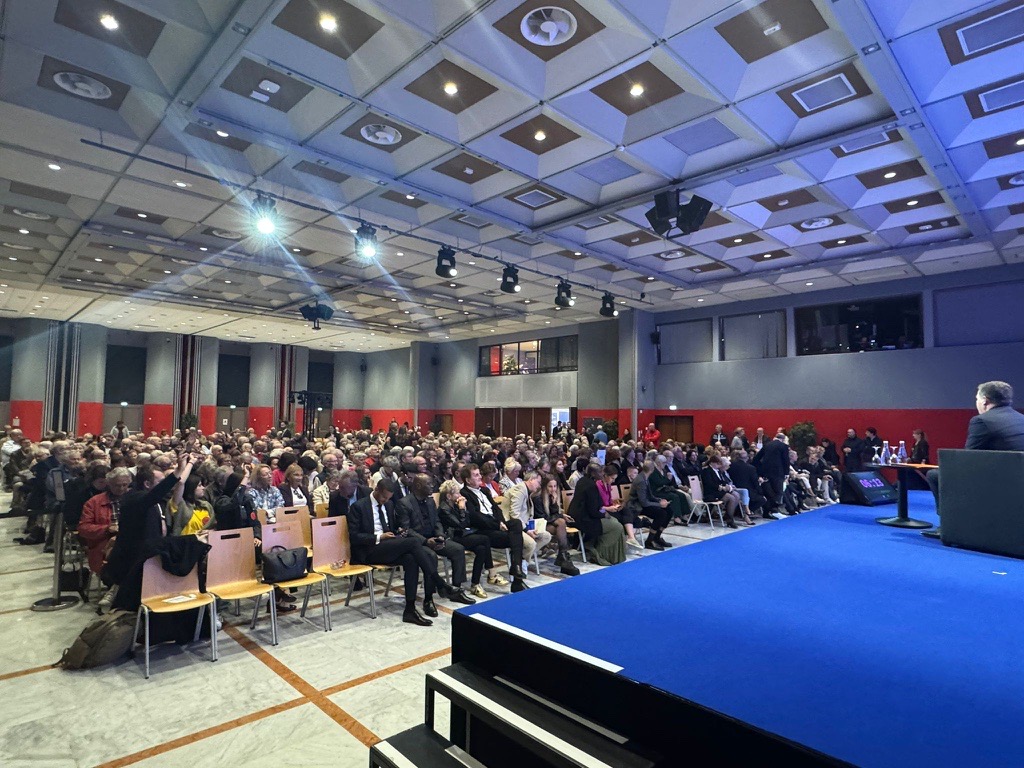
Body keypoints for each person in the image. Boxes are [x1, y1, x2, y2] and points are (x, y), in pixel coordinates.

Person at [347, 478, 460, 626]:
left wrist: (399, 532)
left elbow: (393, 528)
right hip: (368, 550)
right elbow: (354, 537)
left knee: (411, 559)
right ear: (376, 490)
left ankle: (410, 608)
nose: (385, 500)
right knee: (413, 542)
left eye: (388, 498)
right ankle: (440, 583)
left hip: (388, 546)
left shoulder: (388, 504)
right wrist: (379, 536)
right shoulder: (358, 507)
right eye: (383, 497)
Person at [927, 381, 1024, 516]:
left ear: (985, 401)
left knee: (934, 474)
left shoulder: (982, 420)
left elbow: (968, 460)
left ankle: (947, 524)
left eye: (977, 399)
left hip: (999, 482)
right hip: (1018, 480)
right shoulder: (1021, 419)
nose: (977, 402)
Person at [395, 474, 475, 611]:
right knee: (430, 557)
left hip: (433, 537)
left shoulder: (430, 501)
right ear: (419, 486)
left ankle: (456, 589)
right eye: (429, 484)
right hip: (417, 543)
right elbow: (406, 530)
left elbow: (437, 521)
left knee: (458, 549)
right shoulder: (404, 503)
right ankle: (428, 598)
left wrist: (440, 535)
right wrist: (426, 541)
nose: (432, 486)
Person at [460, 464, 528, 592]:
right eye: (476, 475)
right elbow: (476, 517)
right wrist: (497, 525)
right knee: (516, 540)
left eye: (479, 473)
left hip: (497, 525)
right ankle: (517, 577)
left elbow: (497, 510)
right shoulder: (464, 494)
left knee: (516, 524)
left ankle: (516, 566)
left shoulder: (485, 491)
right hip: (483, 530)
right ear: (468, 480)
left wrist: (501, 522)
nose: (480, 476)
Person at [436, 479, 497, 598]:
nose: (460, 496)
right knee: (484, 539)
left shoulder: (454, 505)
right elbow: (461, 524)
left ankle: (475, 583)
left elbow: (468, 522)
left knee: (481, 549)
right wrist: (462, 509)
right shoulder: (444, 509)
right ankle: (491, 571)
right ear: (449, 496)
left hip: (461, 534)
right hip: (451, 538)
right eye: (457, 493)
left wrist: (463, 510)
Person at [568, 462, 626, 565]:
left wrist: (605, 511)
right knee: (617, 526)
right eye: (599, 472)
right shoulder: (591, 486)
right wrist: (605, 514)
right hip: (584, 519)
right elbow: (593, 511)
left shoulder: (582, 481)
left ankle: (593, 546)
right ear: (593, 473)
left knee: (615, 521)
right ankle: (598, 553)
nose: (602, 474)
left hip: (578, 515)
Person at [501, 471, 551, 572]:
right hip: (512, 526)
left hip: (524, 524)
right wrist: (527, 530)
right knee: (531, 544)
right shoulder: (520, 489)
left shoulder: (527, 491)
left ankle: (522, 558)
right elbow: (514, 515)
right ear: (531, 480)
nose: (539, 486)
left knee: (546, 536)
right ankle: (520, 562)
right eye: (538, 482)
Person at [530, 475, 579, 575]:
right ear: (544, 486)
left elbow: (553, 513)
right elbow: (542, 517)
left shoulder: (551, 496)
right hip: (537, 524)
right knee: (561, 522)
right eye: (550, 486)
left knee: (560, 524)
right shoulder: (538, 497)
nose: (553, 489)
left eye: (555, 486)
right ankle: (563, 556)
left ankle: (563, 555)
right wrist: (559, 516)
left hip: (549, 523)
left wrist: (554, 503)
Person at [622, 462, 671, 550]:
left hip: (642, 504)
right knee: (661, 513)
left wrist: (659, 500)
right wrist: (659, 504)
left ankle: (657, 536)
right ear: (652, 469)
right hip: (636, 506)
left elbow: (650, 495)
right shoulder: (641, 480)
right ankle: (650, 541)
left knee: (669, 510)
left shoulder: (645, 477)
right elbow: (643, 502)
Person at [753, 433, 791, 518]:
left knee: (769, 493)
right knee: (778, 492)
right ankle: (774, 510)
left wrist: (760, 469)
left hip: (766, 473)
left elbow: (756, 459)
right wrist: (786, 473)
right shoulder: (783, 446)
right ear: (783, 439)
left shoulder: (767, 445)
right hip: (778, 473)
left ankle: (767, 512)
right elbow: (786, 461)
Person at [700, 455, 743, 528]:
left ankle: (728, 514)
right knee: (731, 498)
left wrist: (728, 486)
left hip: (719, 491)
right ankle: (730, 519)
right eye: (717, 463)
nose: (719, 465)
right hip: (711, 492)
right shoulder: (706, 471)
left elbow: (722, 481)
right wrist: (722, 487)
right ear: (712, 462)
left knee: (737, 495)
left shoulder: (718, 471)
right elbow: (709, 484)